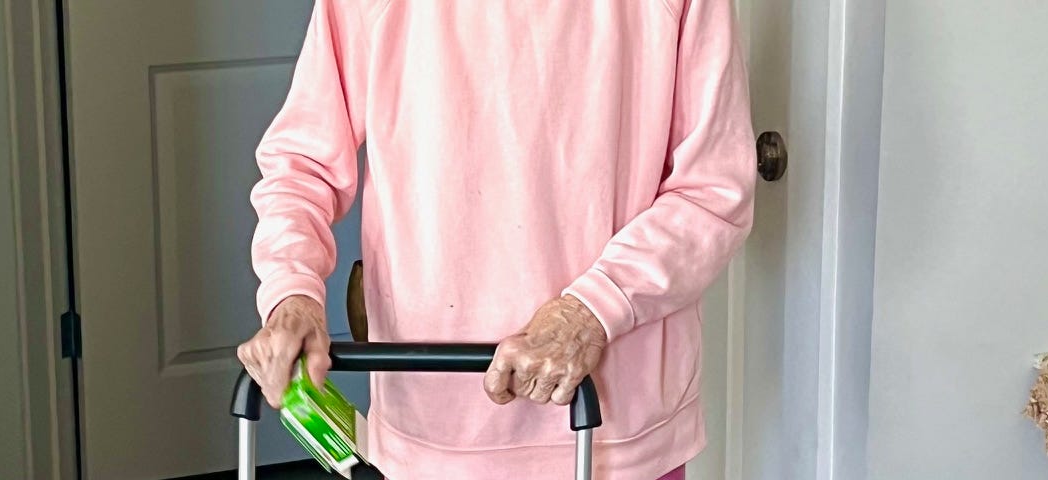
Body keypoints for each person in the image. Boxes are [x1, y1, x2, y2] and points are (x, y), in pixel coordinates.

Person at [236, 1, 755, 478]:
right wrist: (292, 293)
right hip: (437, 423)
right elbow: (302, 167)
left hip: (618, 426)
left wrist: (592, 310)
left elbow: (712, 189)